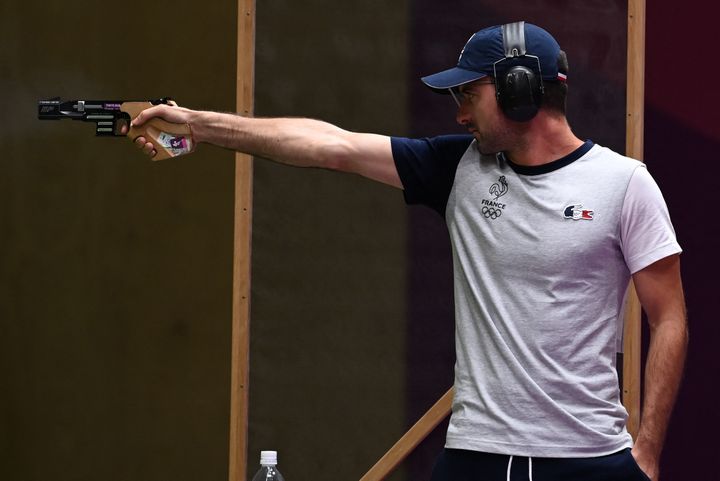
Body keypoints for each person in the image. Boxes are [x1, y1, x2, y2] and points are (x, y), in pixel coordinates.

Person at [130, 21, 687, 481]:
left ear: (519, 90)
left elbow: (669, 320)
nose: (460, 113)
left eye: (470, 93)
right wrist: (199, 126)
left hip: (590, 460)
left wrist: (648, 451)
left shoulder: (624, 184)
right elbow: (332, 145)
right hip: (476, 456)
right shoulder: (458, 168)